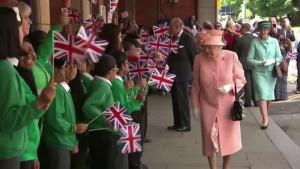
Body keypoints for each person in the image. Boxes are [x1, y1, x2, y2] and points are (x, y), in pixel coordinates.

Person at [0, 7, 55, 169]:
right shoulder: (5, 70)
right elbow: (8, 120)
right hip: (7, 153)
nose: (24, 30)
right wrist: (39, 103)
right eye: (20, 25)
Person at [192, 30, 246, 169]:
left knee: (228, 139)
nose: (208, 50)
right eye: (206, 47)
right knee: (209, 138)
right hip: (207, 105)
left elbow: (241, 79)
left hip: (227, 106)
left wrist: (230, 86)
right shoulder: (199, 59)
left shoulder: (231, 56)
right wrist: (195, 107)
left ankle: (226, 167)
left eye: (211, 47)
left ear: (220, 46)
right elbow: (196, 86)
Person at [83, 54, 128, 169]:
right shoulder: (103, 86)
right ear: (111, 72)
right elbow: (88, 107)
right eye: (115, 70)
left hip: (99, 132)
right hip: (102, 133)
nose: (116, 72)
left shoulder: (99, 83)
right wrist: (107, 119)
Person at [247, 21, 282, 129]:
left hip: (271, 73)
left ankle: (265, 114)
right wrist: (260, 62)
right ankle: (265, 119)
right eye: (261, 30)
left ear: (268, 30)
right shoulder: (254, 42)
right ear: (258, 30)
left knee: (269, 96)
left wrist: (273, 61)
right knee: (262, 94)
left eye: (265, 30)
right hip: (259, 72)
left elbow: (279, 57)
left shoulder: (274, 41)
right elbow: (249, 60)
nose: (263, 32)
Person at [167, 17, 197, 132]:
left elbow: (193, 55)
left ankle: (185, 124)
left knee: (182, 100)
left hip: (183, 73)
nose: (169, 29)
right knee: (175, 99)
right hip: (173, 73)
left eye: (171, 27)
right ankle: (177, 123)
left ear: (178, 26)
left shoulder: (187, 38)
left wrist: (194, 72)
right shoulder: (171, 38)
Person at [234, 23, 256, 107]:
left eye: (241, 29)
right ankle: (256, 101)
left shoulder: (239, 40)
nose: (240, 31)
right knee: (254, 83)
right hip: (254, 64)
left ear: (244, 29)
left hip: (243, 64)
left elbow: (235, 54)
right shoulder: (255, 39)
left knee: (247, 83)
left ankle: (248, 102)